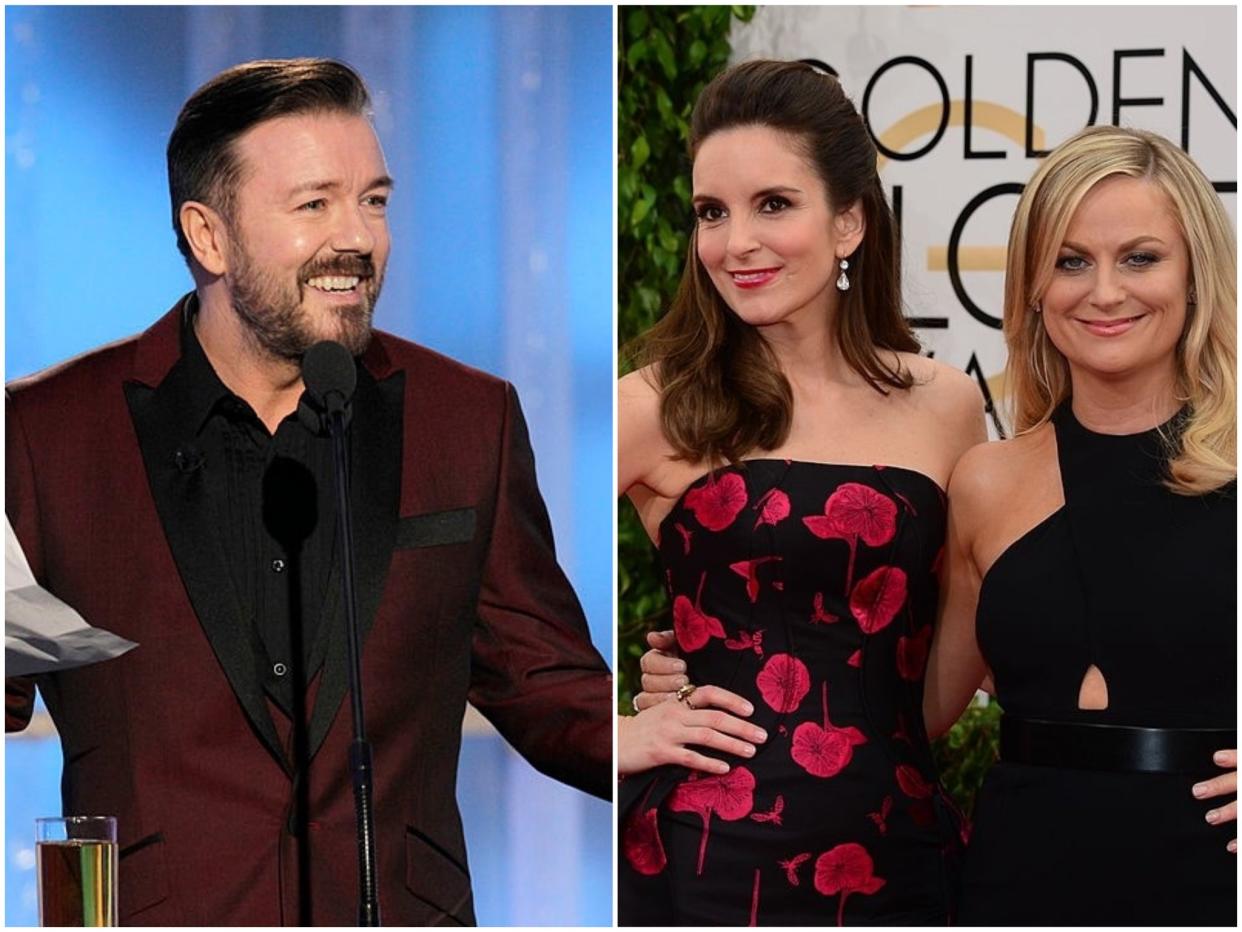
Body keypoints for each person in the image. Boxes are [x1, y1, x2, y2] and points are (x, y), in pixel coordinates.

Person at [5, 58, 611, 926]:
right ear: (209, 236)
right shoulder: (46, 435)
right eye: (315, 203)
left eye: (374, 200)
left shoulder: (466, 420)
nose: (357, 237)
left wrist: (653, 743)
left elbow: (543, 679)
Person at [616, 59, 985, 925]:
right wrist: (612, 727)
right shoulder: (651, 406)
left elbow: (935, 687)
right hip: (707, 861)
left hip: (901, 855)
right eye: (712, 212)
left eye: (772, 204)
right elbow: (489, 576)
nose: (735, 242)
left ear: (849, 221)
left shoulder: (946, 405)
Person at [924, 125, 1237, 925]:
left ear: (1196, 275)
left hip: (1213, 882)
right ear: (1032, 285)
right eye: (1070, 261)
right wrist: (717, 662)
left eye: (1140, 258)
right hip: (1019, 881)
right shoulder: (987, 482)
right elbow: (913, 710)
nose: (1104, 292)